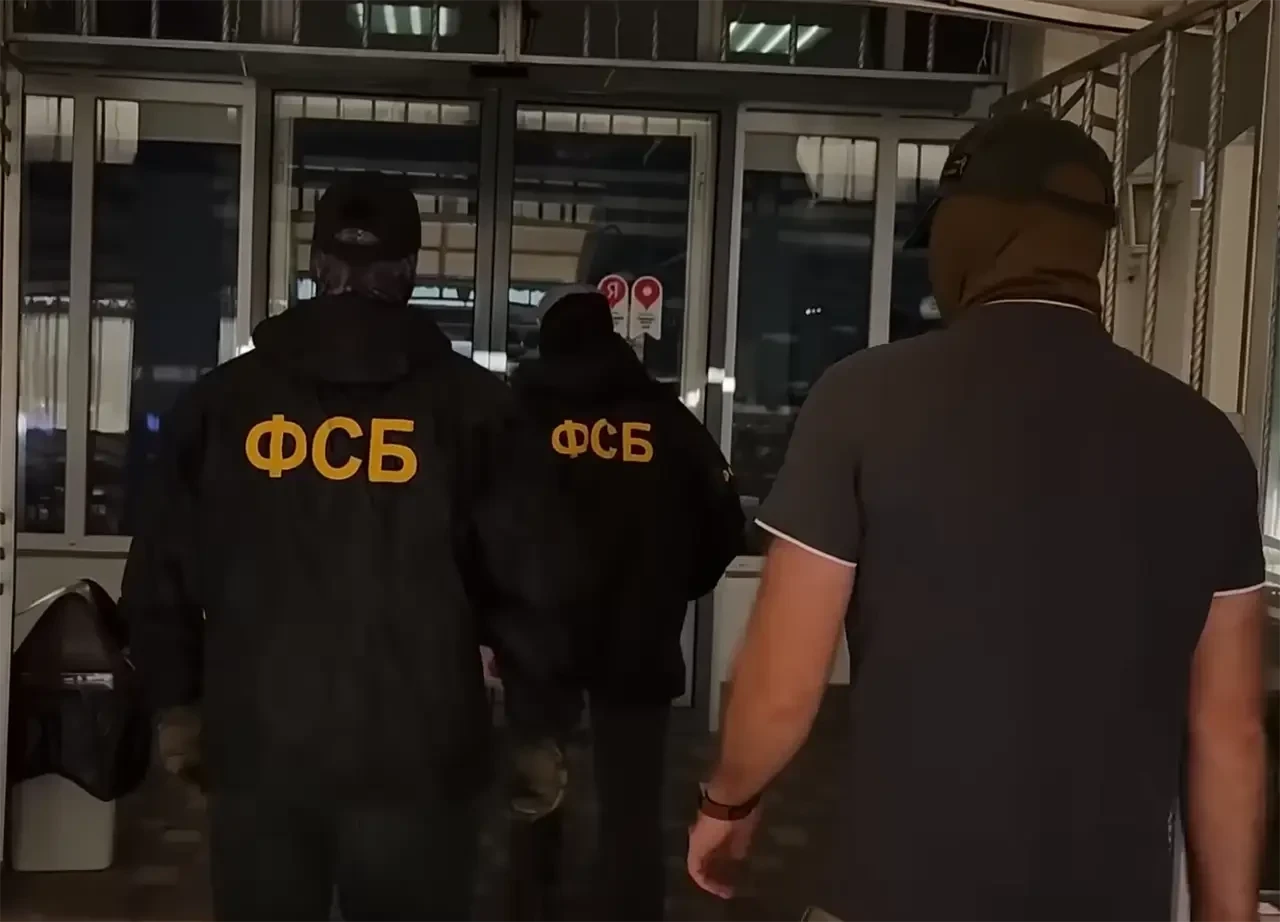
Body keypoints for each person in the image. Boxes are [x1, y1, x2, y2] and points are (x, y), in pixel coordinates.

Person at [687, 109, 1267, 922]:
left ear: (971, 232)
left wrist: (729, 800)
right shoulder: (1206, 443)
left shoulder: (865, 402)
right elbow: (1229, 732)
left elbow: (783, 686)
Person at [120, 171, 585, 922]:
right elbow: (531, 582)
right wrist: (538, 724)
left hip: (260, 742)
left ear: (317, 266)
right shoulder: (477, 409)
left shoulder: (224, 402)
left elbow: (160, 571)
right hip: (421, 754)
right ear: (409, 271)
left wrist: (176, 703)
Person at [508, 284, 745, 922]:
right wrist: (671, 587)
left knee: (534, 793)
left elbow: (476, 520)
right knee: (632, 808)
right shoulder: (665, 418)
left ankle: (531, 905)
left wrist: (495, 613)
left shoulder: (516, 418)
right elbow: (724, 521)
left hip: (538, 638)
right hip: (638, 637)